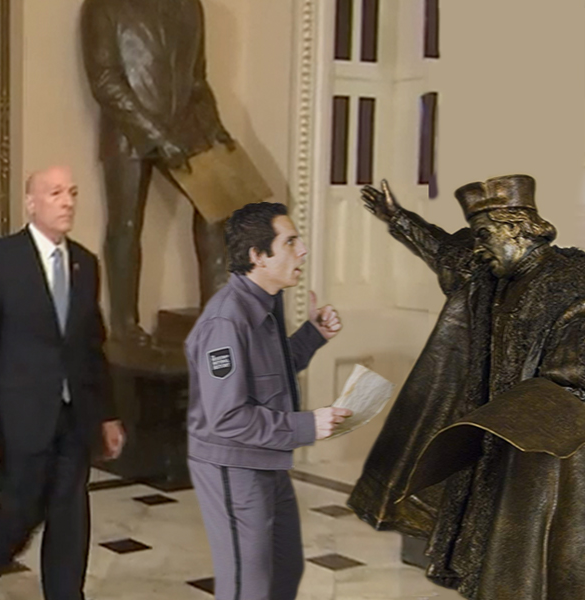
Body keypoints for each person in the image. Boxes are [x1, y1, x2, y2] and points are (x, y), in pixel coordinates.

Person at [347, 177, 585, 599]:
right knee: (485, 537)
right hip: (489, 432)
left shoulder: (572, 282)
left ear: (516, 229)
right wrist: (397, 218)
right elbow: (442, 248)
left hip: (544, 445)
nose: (478, 247)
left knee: (533, 549)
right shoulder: (485, 274)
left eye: (484, 236)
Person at [0, 165, 126, 600]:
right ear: (31, 203)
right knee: (20, 514)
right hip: (20, 418)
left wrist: (107, 415)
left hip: (74, 419)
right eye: (55, 193)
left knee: (70, 517)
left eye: (72, 192)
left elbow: (92, 348)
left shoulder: (85, 264)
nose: (67, 202)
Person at [186, 202, 348, 600]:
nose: (302, 251)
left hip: (267, 456)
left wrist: (313, 335)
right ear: (258, 256)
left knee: (285, 568)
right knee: (249, 585)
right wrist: (307, 425)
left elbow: (269, 371)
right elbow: (227, 417)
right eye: (290, 242)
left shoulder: (265, 302)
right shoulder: (226, 320)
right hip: (233, 462)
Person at [81, 0, 235, 346]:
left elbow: (197, 81)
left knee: (216, 208)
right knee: (125, 226)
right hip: (127, 133)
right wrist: (156, 136)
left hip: (183, 128)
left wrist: (214, 126)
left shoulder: (190, 6)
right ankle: (124, 326)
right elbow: (105, 81)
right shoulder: (103, 6)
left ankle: (216, 319)